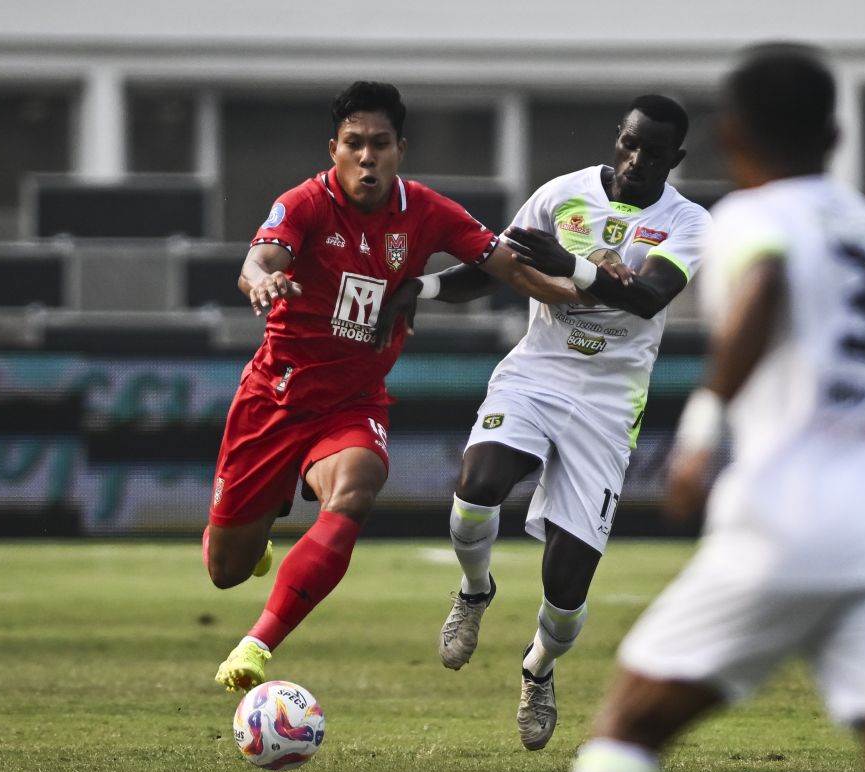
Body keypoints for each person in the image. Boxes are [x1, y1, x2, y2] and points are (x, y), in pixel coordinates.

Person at [563, 45, 865, 772]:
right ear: (834, 138)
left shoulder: (750, 220)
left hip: (787, 519)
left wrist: (702, 436)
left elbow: (769, 283)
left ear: (733, 136)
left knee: (627, 731)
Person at [208, 80, 585, 693]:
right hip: (274, 398)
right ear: (334, 149)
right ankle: (259, 535)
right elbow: (260, 259)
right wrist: (260, 282)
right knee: (224, 569)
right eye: (353, 144)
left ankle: (258, 644)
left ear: (399, 149)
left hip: (353, 405)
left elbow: (508, 266)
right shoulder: (303, 203)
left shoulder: (427, 212)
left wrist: (590, 294)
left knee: (356, 488)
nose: (366, 157)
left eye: (379, 144)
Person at [393, 95, 711, 751]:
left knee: (566, 594)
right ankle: (474, 591)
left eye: (653, 152)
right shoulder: (560, 196)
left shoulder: (689, 222)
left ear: (674, 160)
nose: (635, 159)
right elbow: (493, 269)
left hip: (609, 398)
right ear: (617, 136)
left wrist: (573, 265)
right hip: (538, 369)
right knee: (478, 485)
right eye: (629, 142)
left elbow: (649, 297)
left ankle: (538, 668)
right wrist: (419, 290)